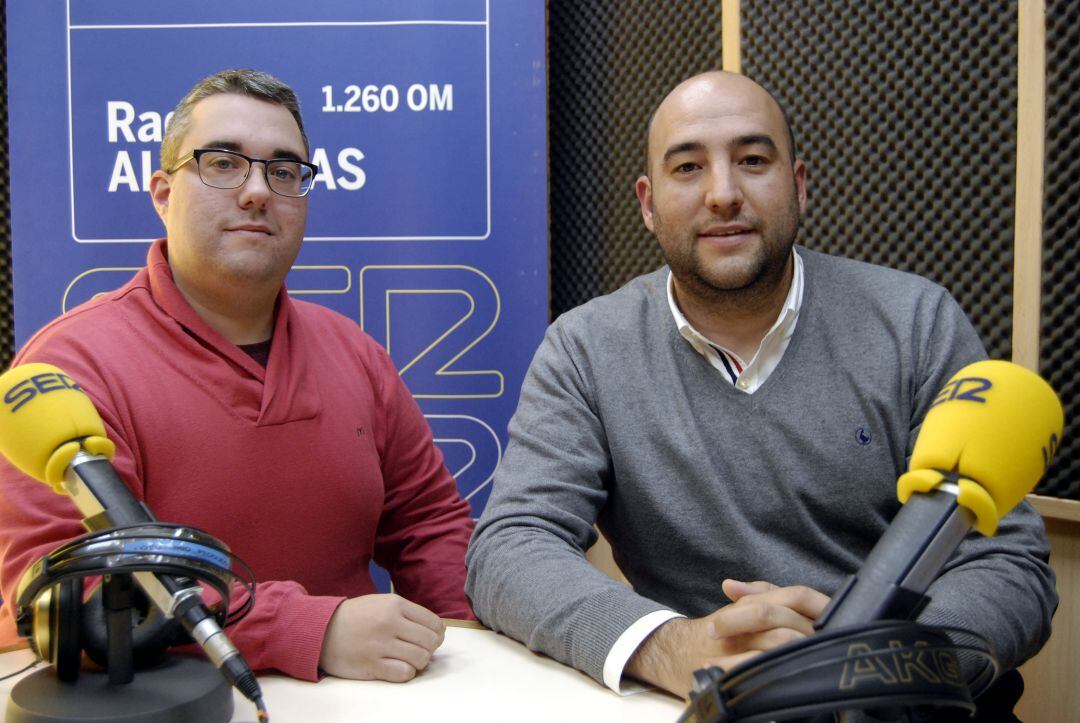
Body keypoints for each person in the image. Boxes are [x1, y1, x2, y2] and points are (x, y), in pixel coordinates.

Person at [465, 71, 1056, 702]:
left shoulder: (916, 322)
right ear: (647, 202)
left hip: (903, 703)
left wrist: (876, 660)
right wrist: (671, 646)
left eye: (752, 160)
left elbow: (1007, 566)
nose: (723, 194)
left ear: (799, 186)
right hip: (701, 703)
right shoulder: (585, 348)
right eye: (688, 168)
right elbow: (511, 545)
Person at [0, 69, 475, 683]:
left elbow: (428, 523)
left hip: (362, 698)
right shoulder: (71, 365)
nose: (257, 191)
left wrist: (470, 642)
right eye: (223, 163)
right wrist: (307, 629)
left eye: (283, 171)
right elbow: (62, 588)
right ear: (163, 193)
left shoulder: (353, 352)